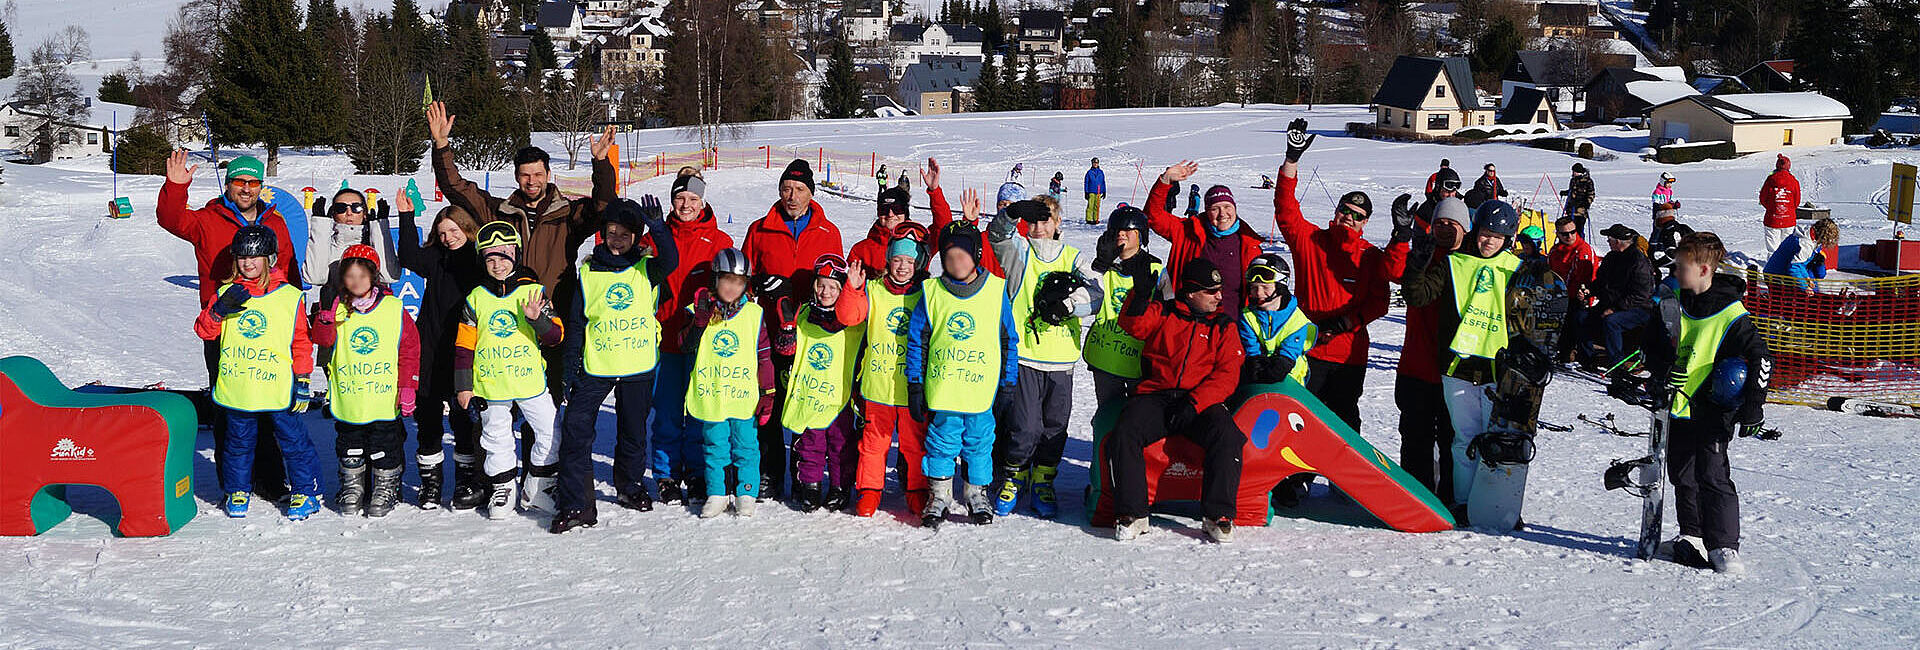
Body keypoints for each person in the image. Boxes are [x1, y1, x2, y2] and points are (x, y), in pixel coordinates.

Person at [427, 101, 619, 399]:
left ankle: (543, 447)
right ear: (517, 176)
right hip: (503, 320)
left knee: (547, 401)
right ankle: (489, 447)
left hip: (551, 317)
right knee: (496, 404)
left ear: (548, 174)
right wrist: (441, 145)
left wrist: (601, 165)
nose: (532, 181)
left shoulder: (568, 214)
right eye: (525, 175)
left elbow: (604, 206)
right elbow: (456, 188)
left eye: (538, 174)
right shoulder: (498, 212)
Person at [159, 150, 299, 501]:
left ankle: (269, 480)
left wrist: (297, 316)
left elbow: (290, 270)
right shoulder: (208, 219)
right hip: (223, 327)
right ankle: (234, 484)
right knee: (227, 406)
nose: (246, 188)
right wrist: (176, 187)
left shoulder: (276, 223)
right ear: (229, 184)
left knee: (268, 405)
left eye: (253, 182)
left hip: (269, 329)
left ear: (261, 186)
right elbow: (171, 220)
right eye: (240, 181)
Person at [1644, 232, 1771, 574]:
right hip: (1679, 405)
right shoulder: (1673, 302)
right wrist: (1661, 369)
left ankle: (1724, 546)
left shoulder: (1732, 313)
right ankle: (1691, 535)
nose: (1676, 271)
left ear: (1703, 269)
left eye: (1682, 266)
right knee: (1682, 474)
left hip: (1713, 408)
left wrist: (1753, 407)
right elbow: (1653, 346)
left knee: (1712, 475)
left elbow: (1760, 358)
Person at [1272, 119, 1410, 431]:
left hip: (1349, 354)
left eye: (1357, 216)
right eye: (1345, 210)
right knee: (1302, 420)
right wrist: (1291, 161)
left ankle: (1341, 481)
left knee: (1344, 423)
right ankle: (1297, 479)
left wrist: (1401, 238)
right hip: (1307, 348)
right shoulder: (1311, 241)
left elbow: (1385, 294)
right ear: (1337, 211)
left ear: (1365, 223)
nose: (1349, 217)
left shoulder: (1371, 257)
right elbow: (1285, 210)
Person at [551, 197, 678, 533]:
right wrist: (570, 368)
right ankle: (576, 504)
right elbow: (577, 322)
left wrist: (659, 228)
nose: (617, 239)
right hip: (597, 364)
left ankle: (630, 486)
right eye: (611, 233)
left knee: (633, 431)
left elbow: (671, 261)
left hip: (637, 363)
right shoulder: (589, 272)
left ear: (635, 237)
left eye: (625, 234)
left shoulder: (646, 268)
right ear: (603, 235)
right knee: (577, 430)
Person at [1106, 259, 1247, 543]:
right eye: (1211, 291)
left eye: (1220, 290)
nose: (1219, 296)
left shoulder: (1223, 325)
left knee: (1228, 436)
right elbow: (1132, 324)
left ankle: (1217, 514)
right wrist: (1141, 294)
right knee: (1125, 432)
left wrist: (1194, 403)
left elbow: (1227, 375)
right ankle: (1133, 513)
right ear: (1191, 292)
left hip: (1199, 401)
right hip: (1156, 395)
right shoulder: (1164, 312)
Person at [1402, 200, 1525, 517]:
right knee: (1464, 441)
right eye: (1486, 233)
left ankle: (1496, 503)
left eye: (1497, 237)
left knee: (1497, 442)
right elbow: (1418, 296)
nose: (1489, 242)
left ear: (1507, 239)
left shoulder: (1518, 269)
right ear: (1477, 230)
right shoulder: (1453, 264)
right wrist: (1415, 266)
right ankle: (1463, 502)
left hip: (1499, 371)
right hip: (1458, 368)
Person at [193, 225, 323, 521]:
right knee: (238, 442)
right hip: (240, 385)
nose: (248, 263)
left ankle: (305, 490)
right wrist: (219, 311)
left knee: (293, 441)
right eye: (242, 257)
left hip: (278, 385)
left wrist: (303, 379)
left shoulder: (290, 296)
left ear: (270, 259)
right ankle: (238, 489)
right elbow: (204, 330)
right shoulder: (227, 293)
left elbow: (300, 341)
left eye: (255, 257)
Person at [987, 197, 1102, 519]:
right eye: (1033, 221)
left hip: (1062, 360)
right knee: (1023, 427)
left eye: (1045, 220)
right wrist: (1010, 214)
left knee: (1054, 426)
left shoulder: (1072, 257)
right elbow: (996, 236)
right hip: (1024, 356)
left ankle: (1043, 480)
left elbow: (1096, 293)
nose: (1038, 228)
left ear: (1057, 224)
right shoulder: (1019, 253)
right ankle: (1015, 476)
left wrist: (1068, 305)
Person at [906, 211, 1020, 529]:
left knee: (980, 441)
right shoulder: (932, 293)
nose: (956, 261)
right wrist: (915, 383)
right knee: (941, 441)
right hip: (944, 388)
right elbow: (918, 342)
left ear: (976, 255)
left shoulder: (995, 291)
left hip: (981, 388)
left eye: (963, 254)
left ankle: (975, 493)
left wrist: (1008, 384)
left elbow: (1009, 340)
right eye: (949, 255)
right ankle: (939, 494)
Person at [743, 159, 845, 499]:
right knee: (769, 403)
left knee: (804, 402)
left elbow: (836, 281)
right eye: (786, 188)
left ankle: (804, 476)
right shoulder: (760, 229)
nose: (792, 195)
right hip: (770, 332)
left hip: (812, 333)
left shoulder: (829, 231)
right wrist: (758, 282)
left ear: (811, 194)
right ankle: (770, 474)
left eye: (799, 189)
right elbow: (744, 280)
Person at [453, 223, 565, 520]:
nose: (498, 264)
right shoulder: (476, 297)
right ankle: (503, 489)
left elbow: (556, 337)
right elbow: (464, 345)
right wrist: (464, 385)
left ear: (515, 255)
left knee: (550, 431)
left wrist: (537, 319)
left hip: (530, 382)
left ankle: (539, 486)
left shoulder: (533, 291)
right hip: (491, 384)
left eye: (504, 257)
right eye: (490, 259)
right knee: (495, 436)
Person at [310, 244, 421, 518]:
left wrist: (408, 386)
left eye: (362, 275)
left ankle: (386, 487)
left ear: (373, 276)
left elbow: (409, 348)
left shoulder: (393, 308)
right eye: (350, 276)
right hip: (351, 395)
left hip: (383, 396)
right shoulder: (338, 309)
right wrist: (324, 319)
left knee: (385, 444)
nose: (356, 282)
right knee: (350, 443)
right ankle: (353, 486)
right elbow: (322, 342)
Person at [644, 170, 734, 505]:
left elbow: (732, 288)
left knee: (699, 410)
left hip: (703, 341)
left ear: (703, 202)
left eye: (693, 199)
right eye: (680, 198)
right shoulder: (655, 236)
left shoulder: (719, 241)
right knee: (667, 411)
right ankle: (666, 473)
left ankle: (697, 471)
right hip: (664, 338)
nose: (686, 205)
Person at [839, 222, 932, 517]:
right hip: (877, 388)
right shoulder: (874, 289)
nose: (903, 267)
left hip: (910, 389)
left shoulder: (927, 293)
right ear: (888, 260)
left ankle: (916, 489)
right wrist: (853, 290)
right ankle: (869, 490)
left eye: (909, 261)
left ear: (918, 264)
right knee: (873, 445)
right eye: (897, 260)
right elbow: (849, 316)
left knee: (914, 445)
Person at [398, 194, 483, 509]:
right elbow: (408, 255)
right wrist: (406, 217)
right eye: (443, 232)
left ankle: (466, 482)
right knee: (429, 419)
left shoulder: (480, 259)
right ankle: (430, 486)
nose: (448, 238)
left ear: (466, 228)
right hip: (431, 348)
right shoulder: (435, 257)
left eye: (454, 231)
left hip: (464, 350)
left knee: (463, 420)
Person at [683, 249, 778, 518]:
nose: (731, 287)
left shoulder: (753, 314)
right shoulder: (700, 310)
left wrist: (767, 391)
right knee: (715, 445)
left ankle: (746, 491)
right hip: (712, 394)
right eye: (726, 280)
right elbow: (684, 345)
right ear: (715, 280)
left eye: (738, 282)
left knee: (746, 444)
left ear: (745, 285)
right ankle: (718, 492)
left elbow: (764, 355)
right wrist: (699, 323)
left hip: (742, 395)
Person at [1395, 195, 1469, 504]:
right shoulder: (1423, 254)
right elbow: (1411, 291)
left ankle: (1452, 496)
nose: (1444, 229)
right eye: (1439, 223)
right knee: (1415, 439)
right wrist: (1403, 242)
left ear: (1465, 229)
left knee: (1453, 441)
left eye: (1452, 224)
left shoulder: (1471, 263)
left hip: (1454, 372)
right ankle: (1417, 497)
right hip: (1416, 366)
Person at [780, 254, 867, 512]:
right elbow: (793, 349)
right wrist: (786, 341)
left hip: (838, 395)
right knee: (810, 443)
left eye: (832, 287)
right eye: (821, 285)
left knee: (841, 446)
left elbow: (850, 313)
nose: (825, 291)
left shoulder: (848, 319)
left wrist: (852, 289)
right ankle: (811, 486)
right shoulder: (806, 313)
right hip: (810, 393)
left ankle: (840, 488)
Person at [1238, 253, 1317, 506]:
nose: (1258, 292)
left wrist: (1274, 366)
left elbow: (1287, 357)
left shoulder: (1297, 319)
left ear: (1280, 286)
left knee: (1289, 437)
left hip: (1292, 388)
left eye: (1265, 286)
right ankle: (1259, 480)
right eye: (1254, 287)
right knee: (1260, 434)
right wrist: (1255, 363)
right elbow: (1251, 350)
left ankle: (1291, 481)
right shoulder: (1248, 316)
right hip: (1261, 386)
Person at [1147, 161, 1268, 315]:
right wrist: (1165, 180)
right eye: (1215, 208)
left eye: (1227, 207)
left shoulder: (1249, 244)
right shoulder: (1187, 231)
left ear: (1235, 208)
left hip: (1233, 327)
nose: (1222, 214)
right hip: (1189, 323)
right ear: (1206, 211)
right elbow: (1153, 216)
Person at [1084, 206, 1162, 406]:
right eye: (1117, 230)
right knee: (1107, 417)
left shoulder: (1156, 270)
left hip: (1138, 363)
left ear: (1140, 235)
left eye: (1128, 230)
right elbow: (1084, 294)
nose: (1121, 234)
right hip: (1106, 360)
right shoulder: (1104, 268)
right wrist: (1100, 264)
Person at [1590, 224, 1658, 395]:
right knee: (1582, 316)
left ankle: (1618, 364)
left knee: (1612, 322)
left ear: (1619, 242)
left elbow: (1641, 295)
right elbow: (1601, 282)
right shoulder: (1611, 258)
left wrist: (1615, 308)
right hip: (1614, 304)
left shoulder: (1638, 262)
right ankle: (1586, 358)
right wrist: (1589, 291)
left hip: (1640, 309)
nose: (1608, 241)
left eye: (1610, 239)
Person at [304, 187, 399, 299]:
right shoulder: (326, 245)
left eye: (356, 208)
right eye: (341, 208)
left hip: (373, 312)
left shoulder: (374, 243)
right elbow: (314, 277)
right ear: (333, 214)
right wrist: (320, 228)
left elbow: (390, 276)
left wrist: (380, 229)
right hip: (337, 312)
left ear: (364, 213)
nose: (349, 213)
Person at [921, 157, 1007, 277]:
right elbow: (960, 244)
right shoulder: (984, 239)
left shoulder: (1027, 238)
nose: (1007, 209)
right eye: (1002, 204)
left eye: (1013, 205)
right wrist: (969, 221)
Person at [1548, 216, 1600, 364]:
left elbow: (1586, 279)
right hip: (1561, 295)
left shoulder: (1583, 250)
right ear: (1558, 234)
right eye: (1565, 234)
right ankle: (1562, 352)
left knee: (1578, 321)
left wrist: (1583, 294)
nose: (1570, 236)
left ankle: (1587, 359)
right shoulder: (1555, 251)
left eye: (1573, 232)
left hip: (1581, 297)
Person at [1763, 217, 1839, 290]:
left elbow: (1801, 265)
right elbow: (1794, 268)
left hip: (1777, 274)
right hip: (1775, 278)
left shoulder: (1808, 234)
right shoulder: (1804, 244)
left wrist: (1807, 278)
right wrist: (1805, 287)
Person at [850, 187, 912, 274]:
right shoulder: (861, 249)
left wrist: (934, 191)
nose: (890, 214)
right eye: (884, 210)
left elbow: (938, 229)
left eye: (897, 209)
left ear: (905, 212)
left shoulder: (919, 243)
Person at [1760, 155, 1802, 255]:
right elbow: (1796, 201)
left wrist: (1772, 208)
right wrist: (1789, 209)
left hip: (1772, 219)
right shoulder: (1794, 181)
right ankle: (1784, 268)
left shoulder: (1770, 180)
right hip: (1789, 220)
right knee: (1786, 248)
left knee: (1772, 249)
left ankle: (1771, 268)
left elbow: (1763, 198)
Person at [1562, 163, 1595, 235]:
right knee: (1570, 229)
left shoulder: (1588, 181)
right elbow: (1572, 191)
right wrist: (1566, 193)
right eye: (1573, 171)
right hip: (1571, 209)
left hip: (1581, 211)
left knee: (1579, 230)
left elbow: (1591, 194)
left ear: (1579, 172)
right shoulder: (1573, 180)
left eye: (1575, 171)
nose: (1573, 173)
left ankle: (1580, 243)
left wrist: (1587, 203)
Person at [1084, 157, 1107, 225]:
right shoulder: (1089, 172)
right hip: (1091, 191)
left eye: (1096, 163)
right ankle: (1089, 219)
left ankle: (1095, 219)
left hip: (1098, 191)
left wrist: (1104, 191)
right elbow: (1086, 182)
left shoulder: (1101, 172)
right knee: (1090, 206)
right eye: (1094, 163)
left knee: (1096, 206)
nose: (1095, 164)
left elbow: (1103, 182)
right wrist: (1086, 192)